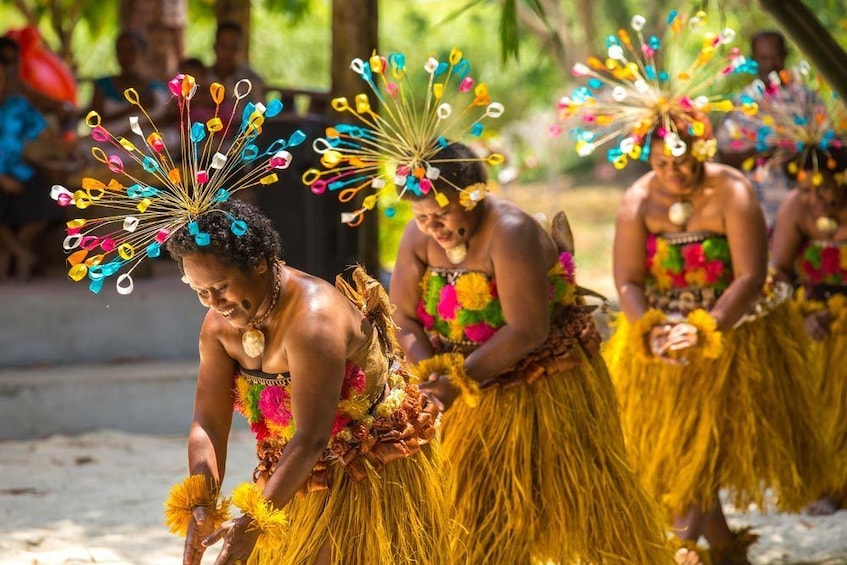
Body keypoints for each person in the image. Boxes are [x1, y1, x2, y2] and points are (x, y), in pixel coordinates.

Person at [560, 13, 834, 564]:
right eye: (662, 164)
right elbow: (628, 280)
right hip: (659, 339)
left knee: (700, 454)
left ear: (702, 150)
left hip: (736, 334)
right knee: (682, 454)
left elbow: (751, 276)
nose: (675, 175)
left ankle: (689, 547)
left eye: (684, 163)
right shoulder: (638, 199)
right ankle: (724, 548)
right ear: (650, 158)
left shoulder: (731, 191)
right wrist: (652, 331)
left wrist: (704, 327)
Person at [389, 142, 675, 564]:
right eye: (422, 216)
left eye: (442, 213)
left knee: (582, 504)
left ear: (474, 196)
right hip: (463, 387)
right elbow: (403, 316)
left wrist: (455, 382)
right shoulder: (419, 235)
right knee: (475, 515)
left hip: (543, 382)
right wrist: (429, 371)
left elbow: (527, 329)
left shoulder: (510, 231)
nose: (433, 227)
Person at [164, 198, 451, 564]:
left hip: (368, 468)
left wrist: (251, 525)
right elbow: (209, 422)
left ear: (259, 262)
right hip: (294, 471)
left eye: (221, 287)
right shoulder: (218, 328)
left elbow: (313, 435)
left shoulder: (313, 320)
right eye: (200, 291)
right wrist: (202, 501)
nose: (214, 302)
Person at [771, 145, 847, 516]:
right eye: (805, 190)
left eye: (823, 188)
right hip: (816, 323)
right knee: (821, 404)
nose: (814, 200)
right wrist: (799, 318)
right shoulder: (795, 209)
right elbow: (779, 272)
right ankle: (827, 483)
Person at [716, 30, 799, 228]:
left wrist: (800, 153)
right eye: (763, 58)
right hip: (758, 210)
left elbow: (832, 148)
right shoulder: (741, 104)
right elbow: (723, 157)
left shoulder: (805, 98)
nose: (770, 64)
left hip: (804, 209)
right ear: (753, 60)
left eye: (775, 56)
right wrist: (760, 153)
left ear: (785, 55)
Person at [0, 51, 63, 281]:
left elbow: (46, 134)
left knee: (48, 201)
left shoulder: (18, 105)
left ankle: (12, 249)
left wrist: (71, 149)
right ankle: (18, 253)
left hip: (20, 171)